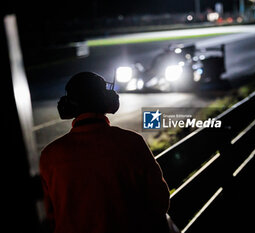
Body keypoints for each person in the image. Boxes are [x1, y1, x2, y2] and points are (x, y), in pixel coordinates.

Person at [39, 72, 170, 233]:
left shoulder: (49, 155)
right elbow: (160, 200)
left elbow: (48, 216)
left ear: (68, 105)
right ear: (107, 100)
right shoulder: (132, 142)